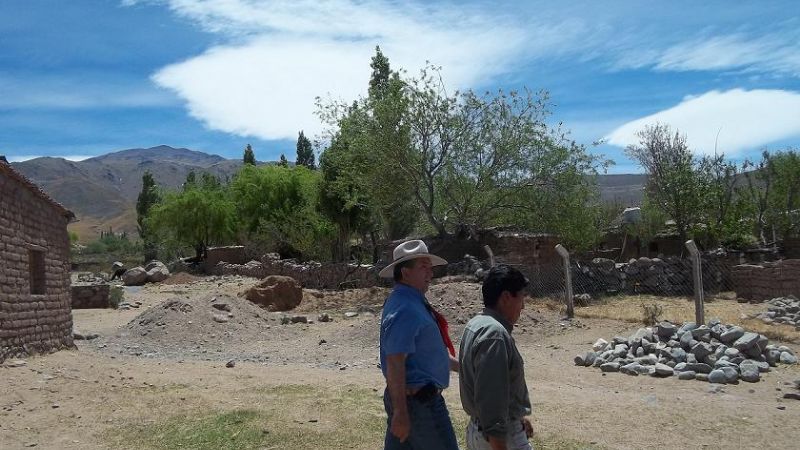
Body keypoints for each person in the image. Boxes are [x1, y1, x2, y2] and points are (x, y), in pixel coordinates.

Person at [379, 239, 460, 450]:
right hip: (419, 405)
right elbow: (395, 362)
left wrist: (463, 366)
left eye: (430, 267)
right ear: (405, 273)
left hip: (414, 402)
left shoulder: (411, 301)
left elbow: (427, 353)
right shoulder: (405, 308)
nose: (430, 273)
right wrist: (401, 412)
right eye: (423, 267)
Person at [459, 264, 534, 450]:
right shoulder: (495, 334)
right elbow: (491, 397)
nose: (523, 306)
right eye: (522, 297)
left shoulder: (476, 325)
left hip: (480, 431)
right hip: (499, 438)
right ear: (506, 297)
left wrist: (519, 416)